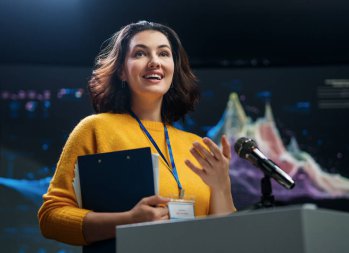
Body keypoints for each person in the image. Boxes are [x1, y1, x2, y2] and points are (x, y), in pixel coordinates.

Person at [38, 20, 235, 246]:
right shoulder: (95, 129)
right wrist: (129, 221)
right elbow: (50, 218)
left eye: (163, 54)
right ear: (121, 71)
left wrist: (221, 187)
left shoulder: (196, 146)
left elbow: (226, 237)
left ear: (174, 68)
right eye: (140, 54)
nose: (154, 62)